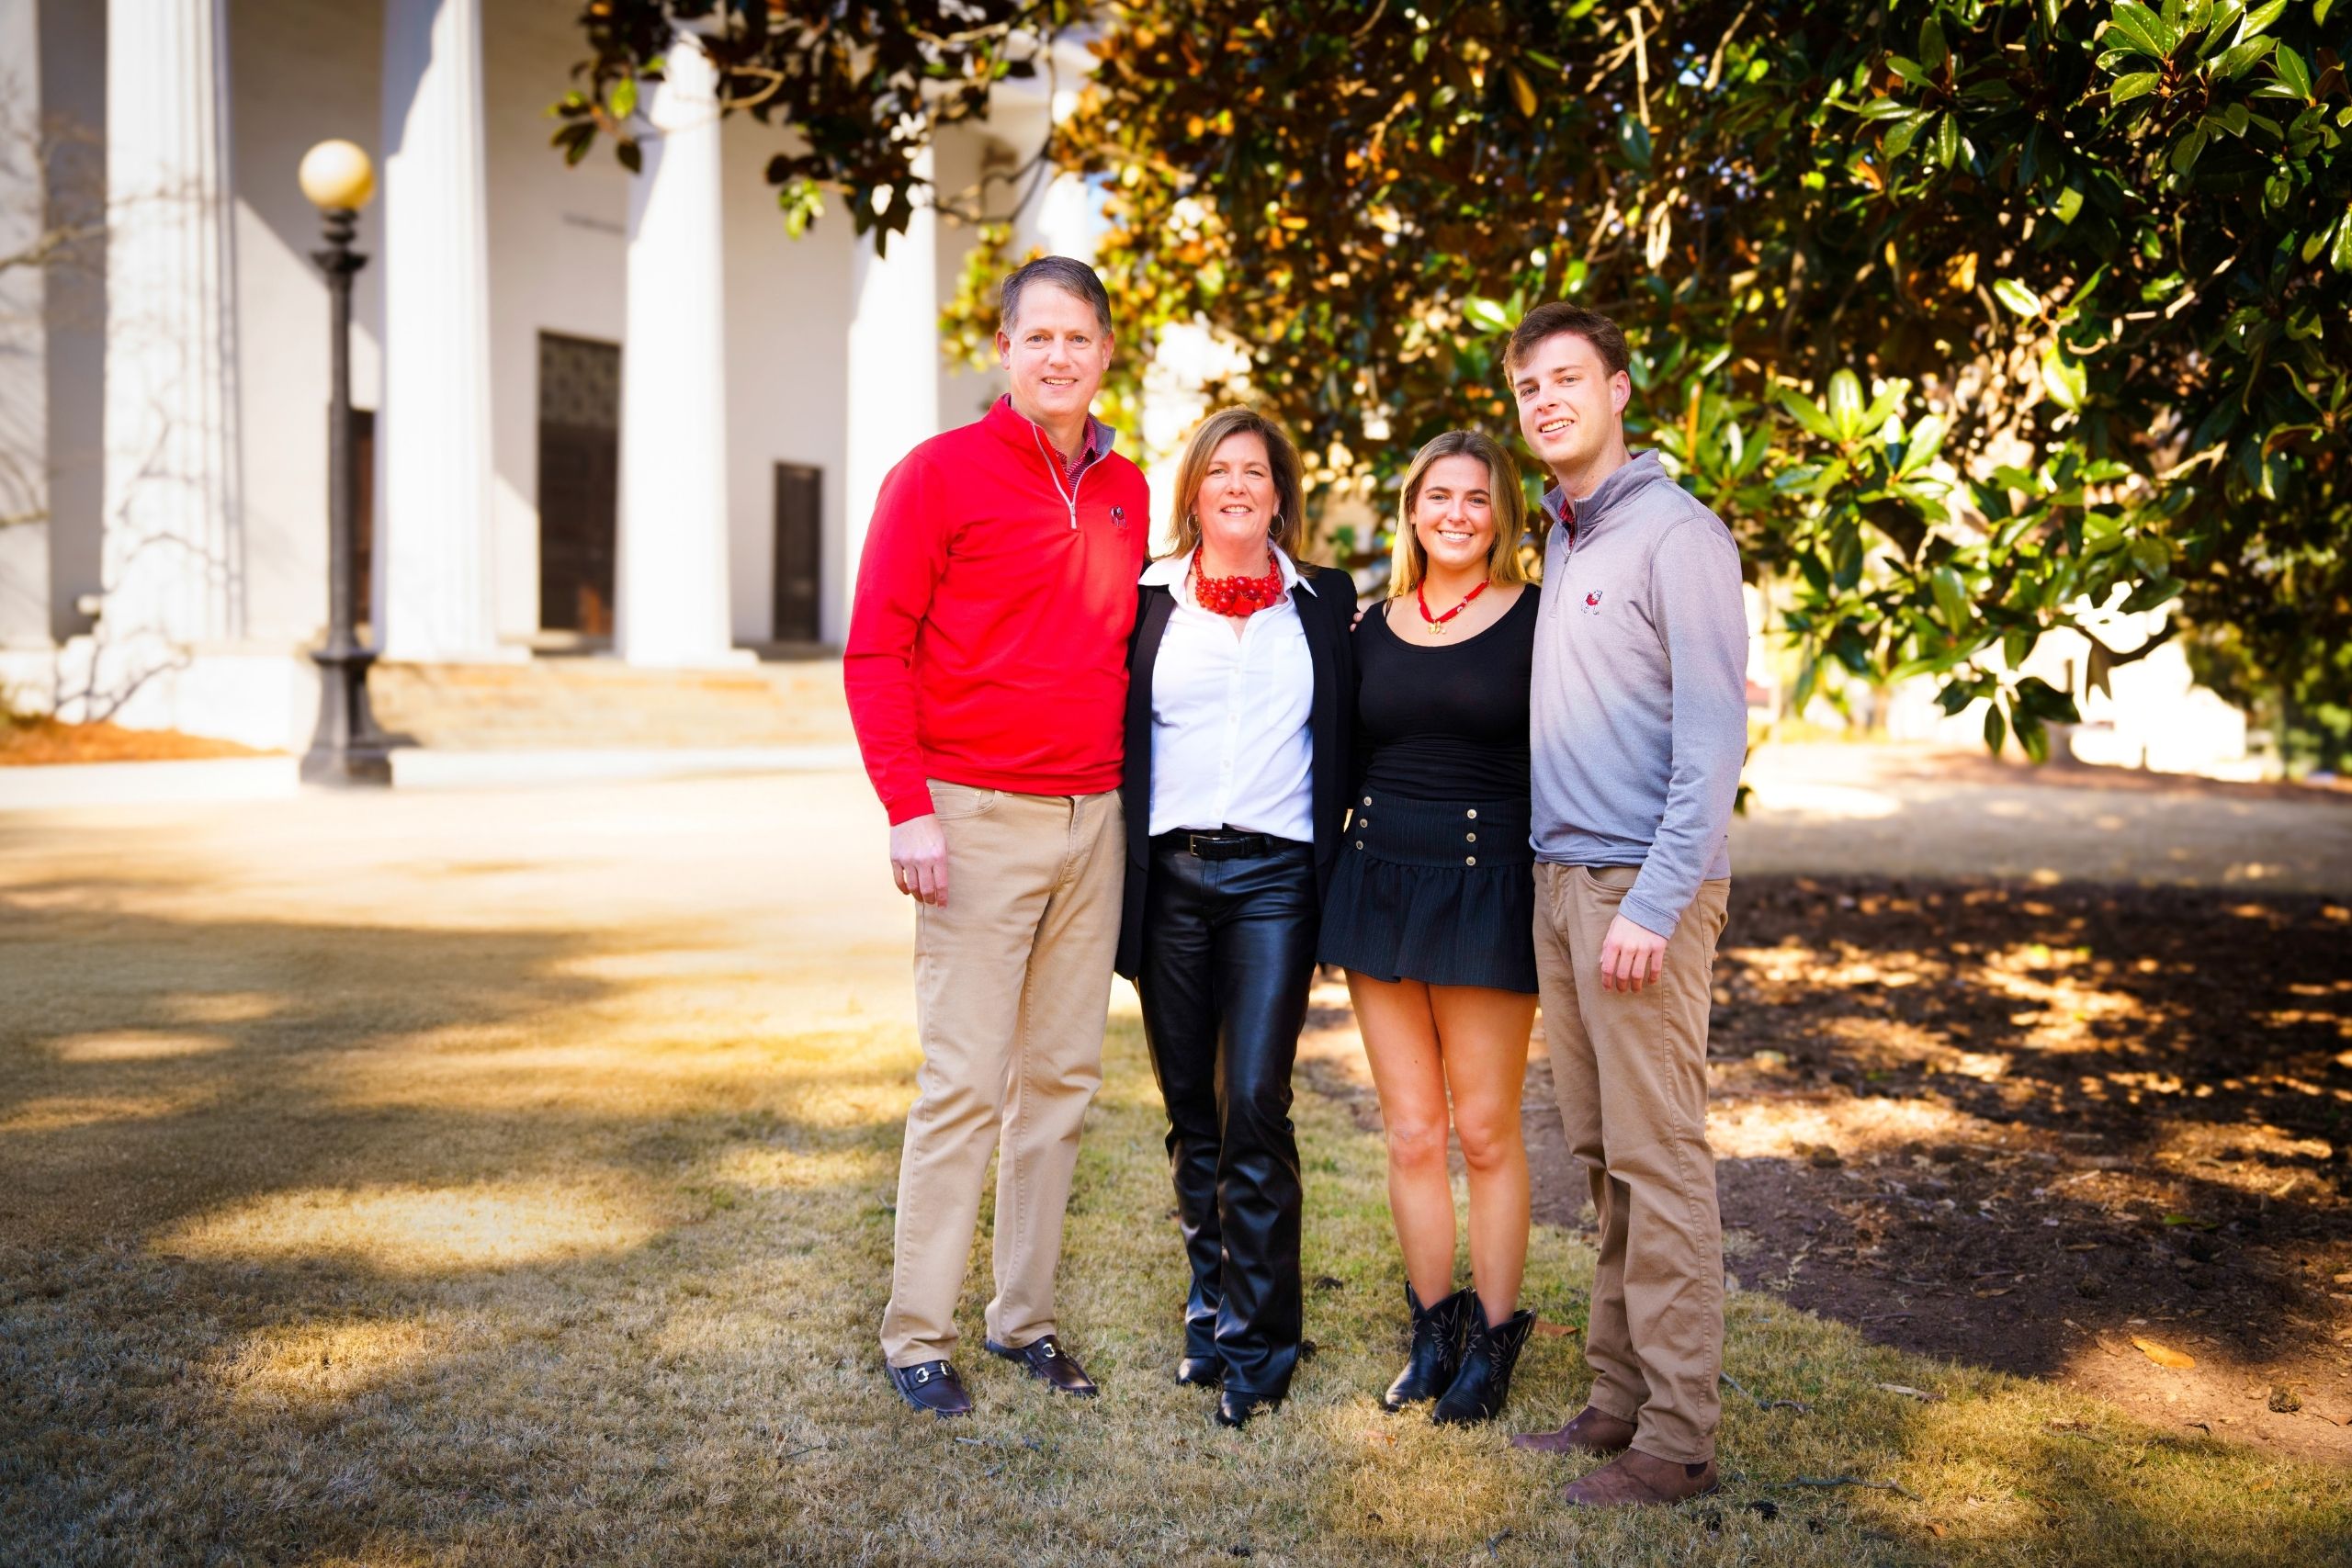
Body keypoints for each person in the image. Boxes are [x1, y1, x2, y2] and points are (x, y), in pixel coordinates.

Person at [842, 256, 1151, 1418]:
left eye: (1080, 339)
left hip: (1095, 820)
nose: (1059, 357)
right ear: (1006, 348)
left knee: (1062, 1082)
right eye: (1039, 339)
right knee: (965, 1083)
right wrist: (907, 808)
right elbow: (876, 650)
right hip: (971, 818)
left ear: (1105, 352)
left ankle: (1022, 1320)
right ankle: (915, 1335)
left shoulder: (1124, 488)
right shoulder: (938, 475)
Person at [1500, 304, 1749, 1506]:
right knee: (1602, 1155)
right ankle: (1616, 1396)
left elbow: (1713, 741)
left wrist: (1653, 898)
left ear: (1618, 389)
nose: (1547, 400)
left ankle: (1681, 1432)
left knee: (1660, 1155)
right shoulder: (1565, 536)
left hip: (1636, 891)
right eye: (1529, 387)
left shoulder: (1678, 535)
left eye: (1567, 379)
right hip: (1562, 882)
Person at [1115, 408, 1357, 1429]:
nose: (1236, 485)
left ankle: (1263, 1337)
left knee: (1255, 1097)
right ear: (1194, 489)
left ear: (1278, 491)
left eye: (1254, 471)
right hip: (1170, 878)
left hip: (1275, 880)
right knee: (1191, 1110)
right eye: (1219, 469)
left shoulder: (1328, 601)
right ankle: (1210, 1300)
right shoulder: (1146, 601)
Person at [1317, 429, 1544, 1425]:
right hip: (1379, 883)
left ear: (1502, 516)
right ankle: (1431, 1329)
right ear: (1411, 509)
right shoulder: (1368, 627)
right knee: (1412, 1131)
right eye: (1438, 496)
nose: (1456, 513)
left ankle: (1492, 1348)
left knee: (1486, 1131)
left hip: (1486, 884)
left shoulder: (1539, 621)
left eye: (1477, 498)